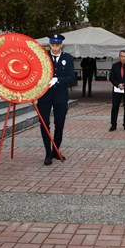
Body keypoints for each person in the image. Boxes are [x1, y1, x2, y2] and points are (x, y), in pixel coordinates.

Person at [37, 33, 75, 165]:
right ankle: (48, 153)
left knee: (59, 125)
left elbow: (72, 77)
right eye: (52, 45)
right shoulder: (43, 57)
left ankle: (55, 151)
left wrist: (58, 80)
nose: (54, 47)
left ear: (62, 45)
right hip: (45, 95)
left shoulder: (68, 58)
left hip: (60, 96)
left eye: (57, 45)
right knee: (44, 123)